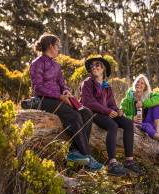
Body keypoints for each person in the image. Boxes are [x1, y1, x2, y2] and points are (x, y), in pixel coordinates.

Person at [29, 33, 103, 171]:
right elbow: (37, 87)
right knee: (74, 116)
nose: (59, 49)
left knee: (86, 113)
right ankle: (87, 156)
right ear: (51, 46)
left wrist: (66, 92)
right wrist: (58, 96)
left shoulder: (56, 66)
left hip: (59, 98)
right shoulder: (37, 63)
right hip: (43, 100)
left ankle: (75, 152)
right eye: (57, 46)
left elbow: (62, 83)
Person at [80, 55, 143, 176]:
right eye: (92, 65)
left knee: (128, 123)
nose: (94, 67)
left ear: (103, 69)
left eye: (97, 65)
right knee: (112, 125)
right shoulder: (87, 83)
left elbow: (111, 104)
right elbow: (89, 102)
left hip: (106, 112)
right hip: (92, 113)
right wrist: (108, 111)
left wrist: (117, 110)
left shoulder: (106, 86)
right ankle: (112, 163)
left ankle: (129, 160)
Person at [120, 74, 159, 144]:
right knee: (147, 126)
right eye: (137, 82)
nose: (139, 84)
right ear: (134, 84)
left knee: (156, 104)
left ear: (145, 87)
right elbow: (120, 114)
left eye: (142, 83)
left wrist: (144, 103)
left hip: (150, 122)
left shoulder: (148, 95)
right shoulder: (127, 99)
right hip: (137, 124)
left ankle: (157, 131)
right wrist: (132, 118)